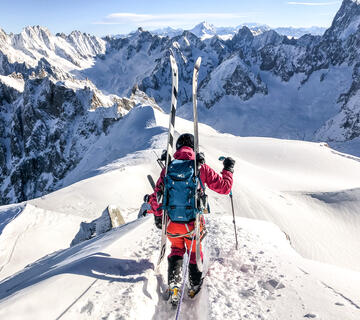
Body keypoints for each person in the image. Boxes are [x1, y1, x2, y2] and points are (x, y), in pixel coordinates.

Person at [149, 133, 235, 300]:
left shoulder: (168, 169)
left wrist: (158, 216)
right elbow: (224, 188)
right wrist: (228, 169)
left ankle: (174, 285)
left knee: (176, 249)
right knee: (195, 253)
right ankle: (194, 286)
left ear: (178, 148)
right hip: (193, 224)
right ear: (194, 148)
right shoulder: (200, 168)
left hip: (172, 224)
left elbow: (157, 198)